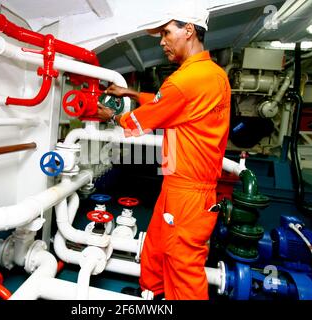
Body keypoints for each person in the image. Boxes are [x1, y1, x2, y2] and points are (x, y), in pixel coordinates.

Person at [95, 2, 231, 300]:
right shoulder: (213, 74)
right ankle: (152, 295)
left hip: (188, 192)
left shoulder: (184, 81)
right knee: (156, 247)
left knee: (183, 267)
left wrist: (112, 117)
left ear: (189, 30)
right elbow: (170, 103)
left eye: (167, 32)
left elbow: (136, 124)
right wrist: (130, 92)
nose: (162, 41)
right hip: (181, 184)